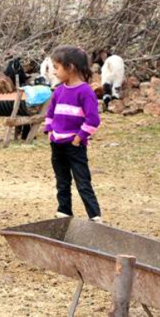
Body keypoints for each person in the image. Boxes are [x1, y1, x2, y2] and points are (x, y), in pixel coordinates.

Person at [44, 45, 102, 222]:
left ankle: (95, 217)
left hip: (74, 145)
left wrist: (79, 138)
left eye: (56, 67)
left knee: (82, 182)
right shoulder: (59, 90)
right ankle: (64, 213)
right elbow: (50, 113)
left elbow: (93, 120)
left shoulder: (85, 92)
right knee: (62, 181)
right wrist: (49, 131)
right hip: (57, 144)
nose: (54, 72)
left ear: (70, 67)